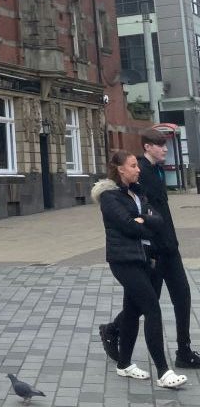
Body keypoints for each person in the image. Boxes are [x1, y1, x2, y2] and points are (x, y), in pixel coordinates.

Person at [99, 128, 200, 368]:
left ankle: (184, 351)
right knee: (147, 303)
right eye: (160, 145)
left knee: (182, 297)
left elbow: (159, 213)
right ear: (147, 147)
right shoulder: (140, 171)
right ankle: (113, 329)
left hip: (169, 246)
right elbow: (137, 212)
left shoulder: (155, 170)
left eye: (164, 145)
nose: (165, 149)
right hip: (153, 250)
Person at [91, 149, 186, 389]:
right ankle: (164, 372)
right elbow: (128, 226)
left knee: (132, 312)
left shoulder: (137, 192)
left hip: (144, 257)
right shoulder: (109, 197)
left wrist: (143, 220)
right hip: (124, 260)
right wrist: (142, 222)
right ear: (120, 169)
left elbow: (157, 220)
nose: (138, 169)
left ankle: (124, 364)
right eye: (133, 165)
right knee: (152, 309)